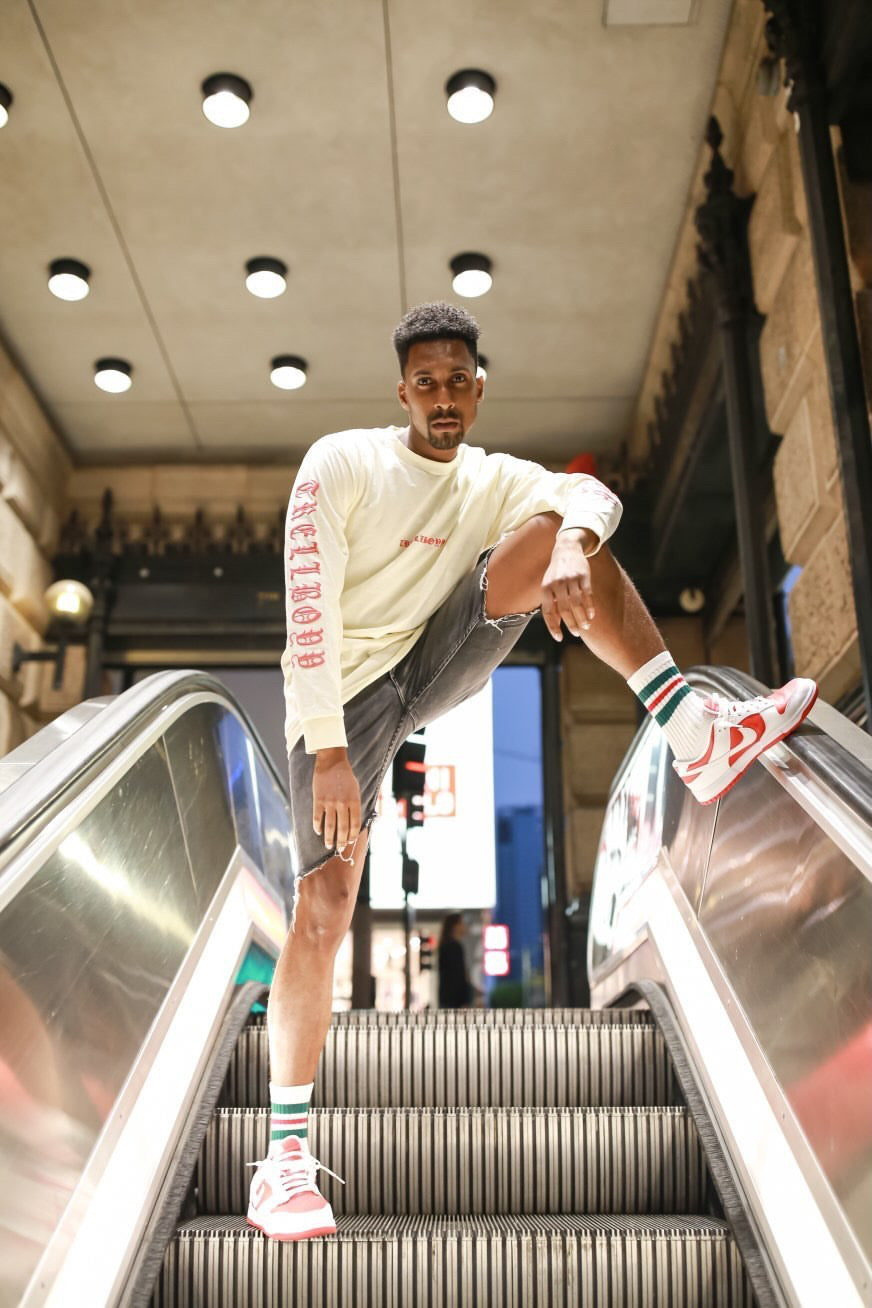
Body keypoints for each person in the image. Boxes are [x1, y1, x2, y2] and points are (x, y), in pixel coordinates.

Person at [246, 301, 817, 1242]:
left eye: (457, 382)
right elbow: (308, 610)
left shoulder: (491, 476)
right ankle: (286, 1160)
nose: (442, 398)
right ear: (402, 391)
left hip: (429, 662)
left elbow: (594, 499)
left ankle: (690, 728)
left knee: (560, 526)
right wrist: (334, 755)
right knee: (326, 910)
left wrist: (564, 548)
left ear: (478, 389)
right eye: (425, 383)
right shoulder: (341, 463)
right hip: (341, 702)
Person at [437, 912, 472, 1009]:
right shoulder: (454, 946)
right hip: (455, 1002)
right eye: (461, 923)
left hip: (447, 1000)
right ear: (454, 926)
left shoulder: (445, 945)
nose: (464, 926)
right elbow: (457, 976)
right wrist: (464, 1000)